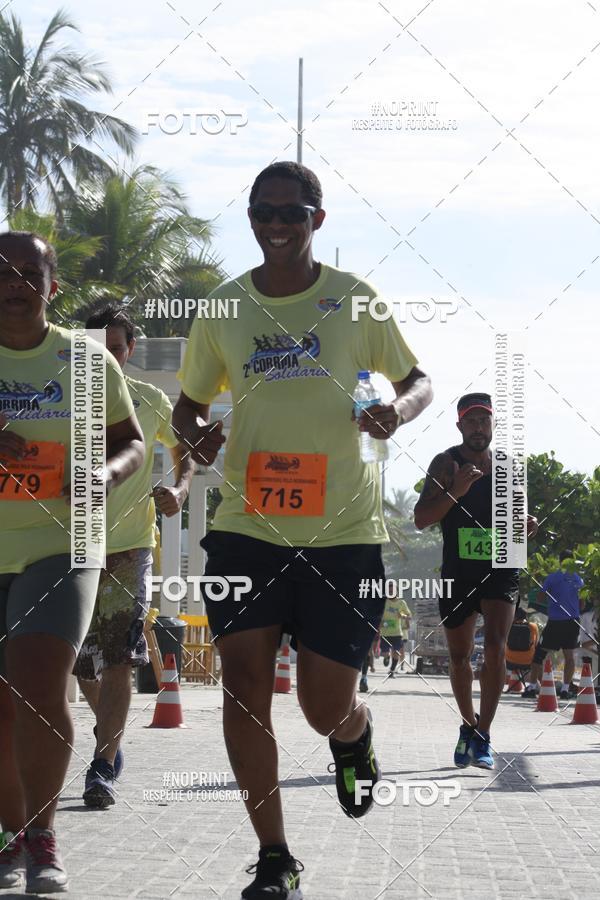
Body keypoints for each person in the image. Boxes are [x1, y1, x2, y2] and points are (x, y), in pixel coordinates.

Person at [173, 161, 432, 899]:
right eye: (264, 212)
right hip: (246, 531)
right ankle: (274, 856)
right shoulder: (224, 310)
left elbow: (420, 379)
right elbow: (189, 405)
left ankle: (353, 736)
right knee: (243, 686)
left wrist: (397, 410)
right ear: (251, 218)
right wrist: (193, 437)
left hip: (343, 535)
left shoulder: (354, 301)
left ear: (319, 219)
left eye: (292, 212)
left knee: (323, 706)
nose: (277, 225)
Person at [0, 232, 144, 893]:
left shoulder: (84, 364)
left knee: (37, 680)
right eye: (4, 273)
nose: (16, 283)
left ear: (52, 286)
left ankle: (44, 835)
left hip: (62, 544)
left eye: (31, 273)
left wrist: (103, 476)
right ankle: (11, 834)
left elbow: (132, 445)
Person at [74, 303, 195, 808]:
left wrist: (181, 490)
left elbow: (186, 448)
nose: (106, 356)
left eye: (116, 349)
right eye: (95, 347)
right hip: (68, 544)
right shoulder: (61, 398)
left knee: (122, 657)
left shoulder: (148, 400)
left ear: (131, 351)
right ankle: (111, 733)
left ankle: (103, 762)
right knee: (80, 665)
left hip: (129, 546)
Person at [414, 392, 538, 770]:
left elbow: (518, 516)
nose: (478, 428)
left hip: (502, 565)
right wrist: (457, 491)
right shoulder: (446, 463)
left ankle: (484, 734)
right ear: (459, 426)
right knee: (459, 656)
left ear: (493, 424)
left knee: (498, 648)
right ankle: (468, 726)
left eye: (484, 420)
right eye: (471, 421)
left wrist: (526, 525)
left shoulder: (507, 466)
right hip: (459, 570)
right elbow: (421, 518)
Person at [525, 551, 584, 699]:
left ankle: (532, 688)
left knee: (539, 655)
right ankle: (564, 690)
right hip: (573, 621)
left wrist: (553, 600)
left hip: (556, 621)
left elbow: (540, 597)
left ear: (560, 561)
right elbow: (582, 604)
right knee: (569, 656)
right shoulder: (579, 579)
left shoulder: (552, 578)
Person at [505, 606, 539, 691]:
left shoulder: (508, 626)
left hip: (509, 661)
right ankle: (535, 686)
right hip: (527, 661)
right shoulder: (533, 626)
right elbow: (536, 644)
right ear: (526, 616)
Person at [380, 595, 411, 676]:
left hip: (398, 633)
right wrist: (384, 623)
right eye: (389, 591)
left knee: (397, 652)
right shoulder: (383, 601)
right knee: (385, 652)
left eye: (393, 590)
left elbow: (409, 616)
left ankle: (392, 670)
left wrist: (403, 616)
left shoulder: (401, 603)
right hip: (385, 633)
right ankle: (387, 657)